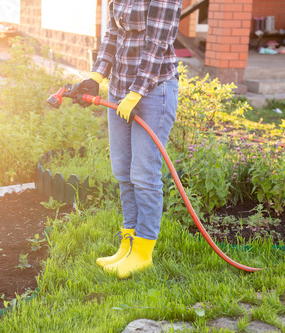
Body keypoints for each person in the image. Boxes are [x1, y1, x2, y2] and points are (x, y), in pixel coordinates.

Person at [71, 0, 182, 279]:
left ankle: (143, 252)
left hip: (153, 90)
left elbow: (157, 44)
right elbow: (113, 33)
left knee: (144, 173)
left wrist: (137, 93)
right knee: (123, 170)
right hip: (120, 88)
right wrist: (96, 76)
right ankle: (128, 244)